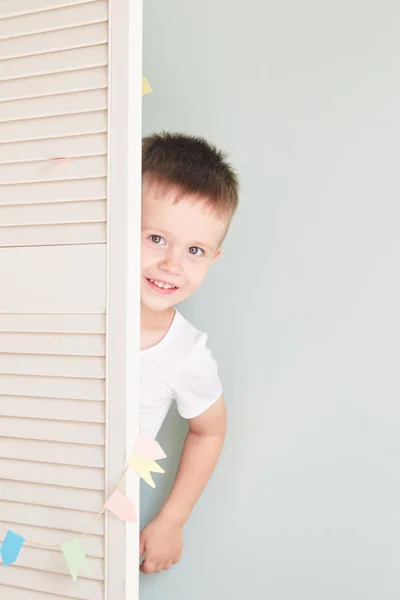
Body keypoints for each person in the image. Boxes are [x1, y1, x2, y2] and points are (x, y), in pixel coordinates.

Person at [140, 132, 239, 574]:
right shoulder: (71, 303)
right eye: (157, 238)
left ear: (214, 258)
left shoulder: (186, 353)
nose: (173, 264)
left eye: (194, 250)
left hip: (89, 527)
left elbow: (209, 431)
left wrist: (173, 520)